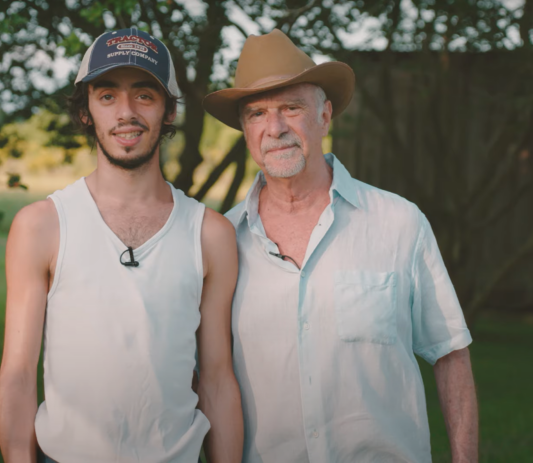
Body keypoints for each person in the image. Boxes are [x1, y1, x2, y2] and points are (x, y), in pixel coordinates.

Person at [203, 29, 478, 463]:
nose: (274, 128)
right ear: (244, 128)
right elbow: (206, 378)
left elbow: (451, 356)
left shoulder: (399, 222)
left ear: (325, 116)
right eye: (257, 113)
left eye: (291, 108)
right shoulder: (219, 241)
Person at [0, 28, 243, 463]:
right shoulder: (41, 226)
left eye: (144, 95)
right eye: (107, 96)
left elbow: (218, 379)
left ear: (168, 111)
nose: (126, 113)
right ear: (87, 111)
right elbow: (18, 375)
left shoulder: (210, 234)